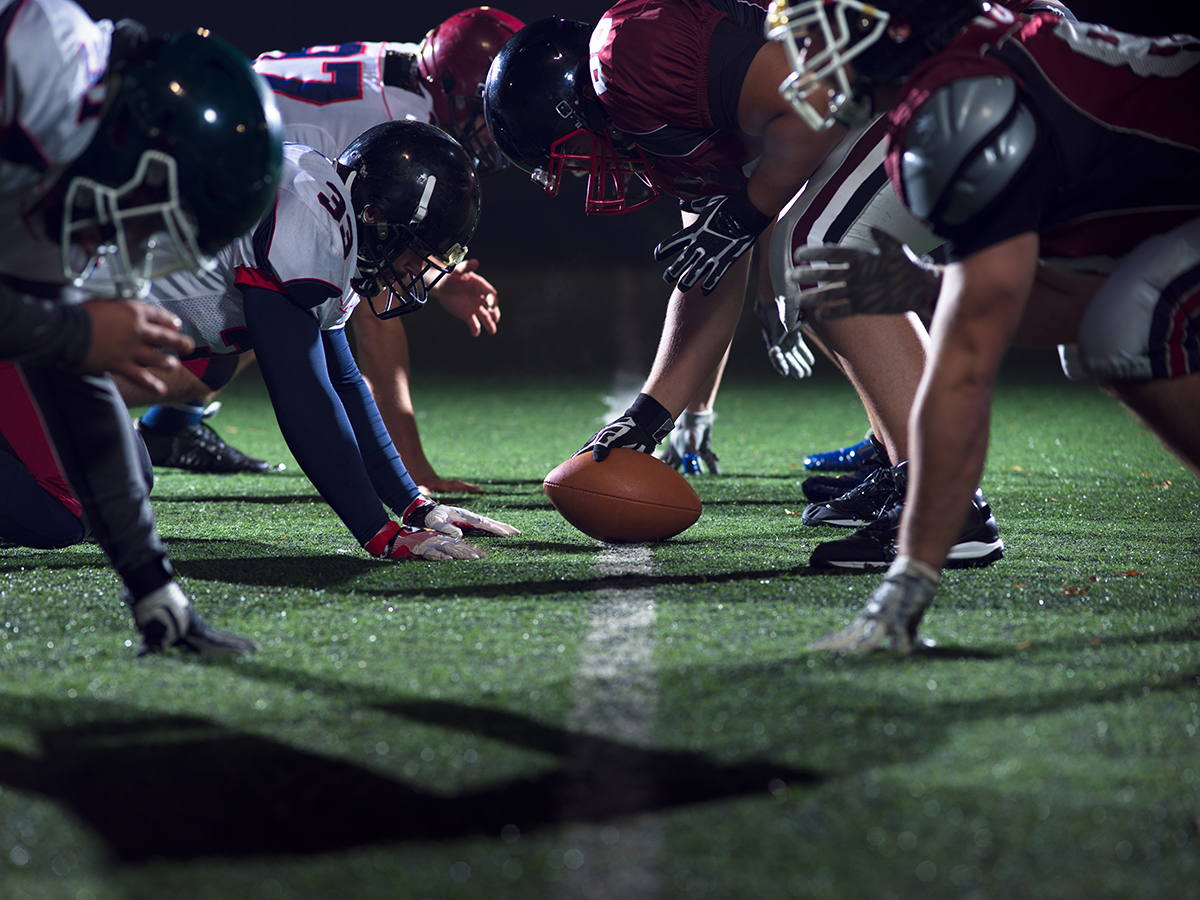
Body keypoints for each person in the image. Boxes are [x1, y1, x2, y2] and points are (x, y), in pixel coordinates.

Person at [482, 7, 1004, 568]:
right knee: (799, 250)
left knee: (818, 251)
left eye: (571, 159)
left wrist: (744, 215)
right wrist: (649, 416)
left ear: (571, 106)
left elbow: (817, 100)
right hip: (915, 84)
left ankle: (945, 507)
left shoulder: (628, 57)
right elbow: (711, 275)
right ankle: (903, 465)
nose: (586, 176)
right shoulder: (650, 128)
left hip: (965, 60)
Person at [764, 0, 1200, 652]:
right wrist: (928, 288)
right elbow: (1070, 304)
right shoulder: (965, 83)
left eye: (827, 26)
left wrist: (906, 587)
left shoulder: (963, 105)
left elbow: (968, 364)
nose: (808, 52)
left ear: (896, 24)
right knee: (1114, 325)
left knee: (1133, 327)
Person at [134, 8, 523, 495]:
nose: (493, 132)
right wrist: (411, 469)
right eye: (484, 113)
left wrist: (437, 277)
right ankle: (68, 388)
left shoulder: (411, 72)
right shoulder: (398, 122)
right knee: (246, 316)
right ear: (455, 90)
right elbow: (369, 304)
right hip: (197, 156)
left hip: (224, 134)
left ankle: (165, 427)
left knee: (265, 310)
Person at [0, 0, 282, 654]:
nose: (139, 242)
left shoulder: (70, 150)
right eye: (152, 216)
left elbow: (71, 379)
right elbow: (61, 339)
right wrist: (73, 332)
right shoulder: (29, 75)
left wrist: (153, 587)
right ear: (136, 143)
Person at [116, 119, 521, 562]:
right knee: (93, 493)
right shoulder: (312, 222)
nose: (415, 271)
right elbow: (303, 398)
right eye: (418, 250)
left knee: (123, 466)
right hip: (60, 319)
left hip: (98, 324)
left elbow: (343, 383)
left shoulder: (334, 216)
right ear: (378, 216)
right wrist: (378, 532)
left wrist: (415, 506)